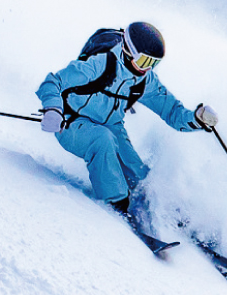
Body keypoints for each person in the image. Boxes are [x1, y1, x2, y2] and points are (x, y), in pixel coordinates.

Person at [37, 22, 217, 215]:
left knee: (139, 177)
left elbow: (172, 111)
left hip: (111, 126)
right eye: (144, 62)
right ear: (128, 51)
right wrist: (54, 109)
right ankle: (116, 204)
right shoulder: (99, 64)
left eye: (153, 63)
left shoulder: (145, 81)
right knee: (102, 140)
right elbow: (53, 82)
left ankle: (159, 212)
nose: (147, 69)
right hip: (71, 121)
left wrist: (197, 119)